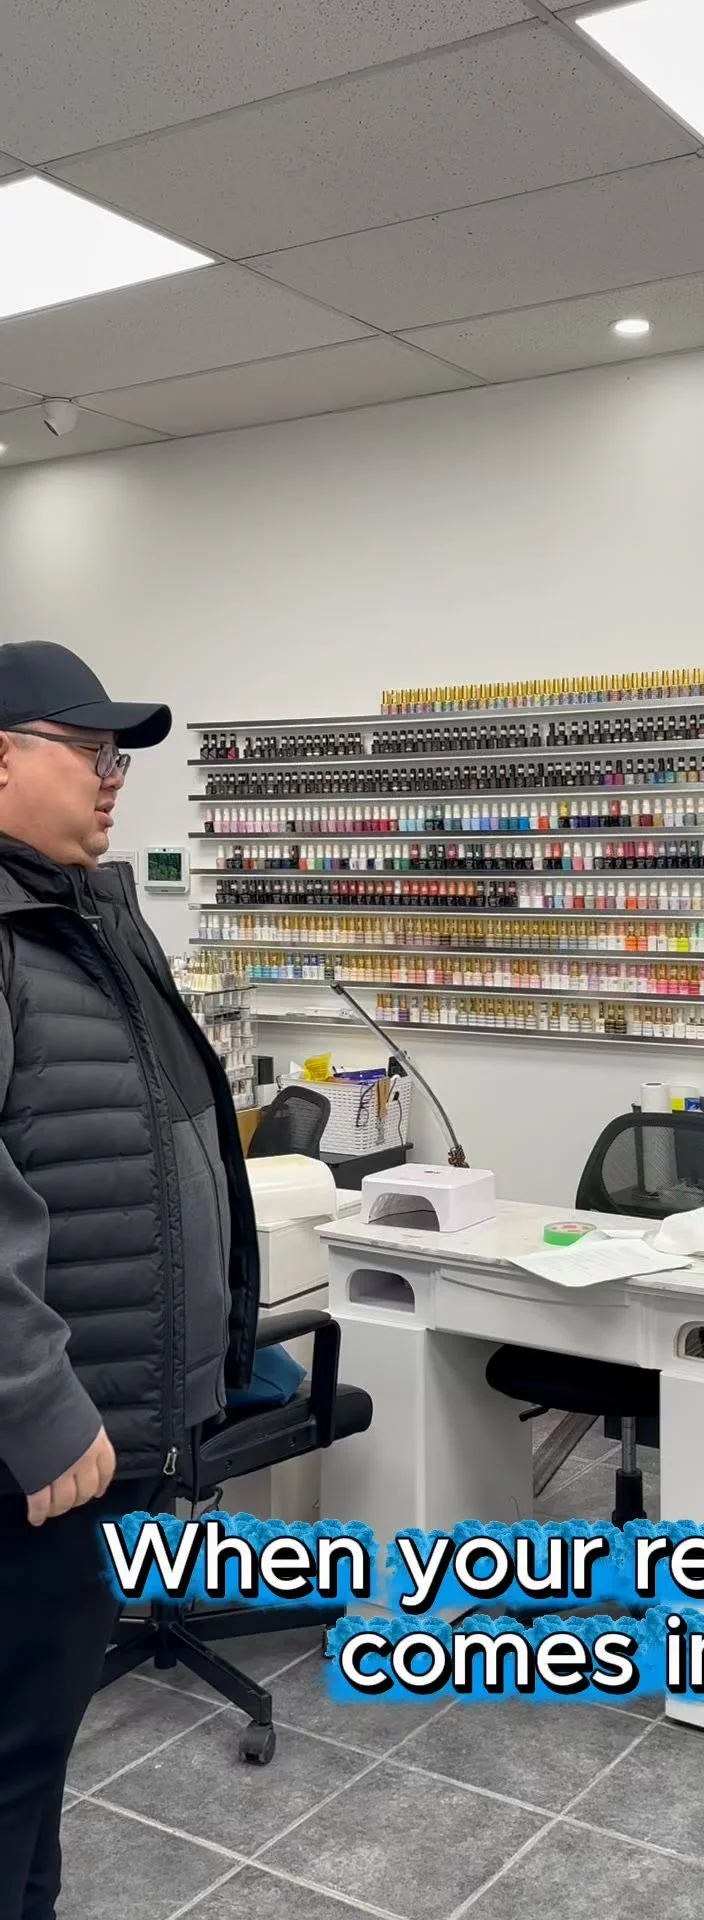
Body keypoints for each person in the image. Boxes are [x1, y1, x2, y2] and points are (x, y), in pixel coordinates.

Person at [0, 641, 258, 1920]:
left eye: (122, 758)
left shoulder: (84, 918)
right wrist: (38, 1405)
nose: (115, 777)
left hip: (105, 1431)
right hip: (35, 1452)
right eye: (90, 750)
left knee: (31, 1761)